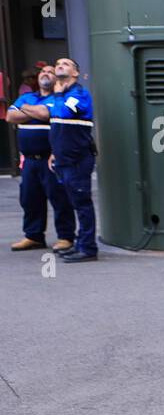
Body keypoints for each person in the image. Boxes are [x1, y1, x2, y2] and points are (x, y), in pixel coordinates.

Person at [7, 62, 74, 253]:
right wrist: (35, 111)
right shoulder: (27, 97)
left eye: (50, 72)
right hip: (29, 160)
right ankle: (33, 236)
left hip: (51, 159)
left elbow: (46, 114)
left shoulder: (59, 99)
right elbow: (11, 117)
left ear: (57, 78)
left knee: (60, 199)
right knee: (29, 199)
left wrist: (25, 110)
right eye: (43, 72)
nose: (45, 74)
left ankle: (65, 237)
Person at [47, 58, 97, 263]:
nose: (60, 65)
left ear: (76, 73)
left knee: (82, 204)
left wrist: (57, 95)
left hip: (78, 159)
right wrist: (54, 152)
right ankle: (80, 244)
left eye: (66, 64)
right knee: (74, 203)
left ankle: (88, 248)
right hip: (64, 159)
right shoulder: (63, 95)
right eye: (58, 63)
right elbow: (58, 126)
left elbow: (63, 112)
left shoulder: (79, 94)